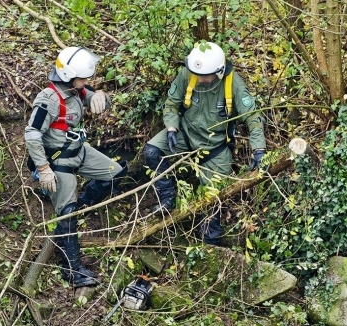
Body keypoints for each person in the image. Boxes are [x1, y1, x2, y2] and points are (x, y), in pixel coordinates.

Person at [143, 41, 266, 246]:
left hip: (215, 148)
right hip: (185, 134)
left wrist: (259, 149)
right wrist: (172, 127)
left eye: (204, 75)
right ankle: (167, 199)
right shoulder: (189, 74)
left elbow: (253, 117)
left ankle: (210, 241)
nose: (199, 79)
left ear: (218, 72)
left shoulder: (233, 83)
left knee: (212, 199)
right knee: (152, 151)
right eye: (196, 74)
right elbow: (172, 103)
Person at [25, 46, 128, 287]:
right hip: (58, 162)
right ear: (68, 76)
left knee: (115, 173)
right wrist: (43, 169)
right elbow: (32, 134)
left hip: (80, 151)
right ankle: (72, 270)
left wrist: (101, 95)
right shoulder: (49, 99)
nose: (85, 82)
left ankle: (82, 205)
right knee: (67, 215)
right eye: (82, 78)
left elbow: (95, 97)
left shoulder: (77, 90)